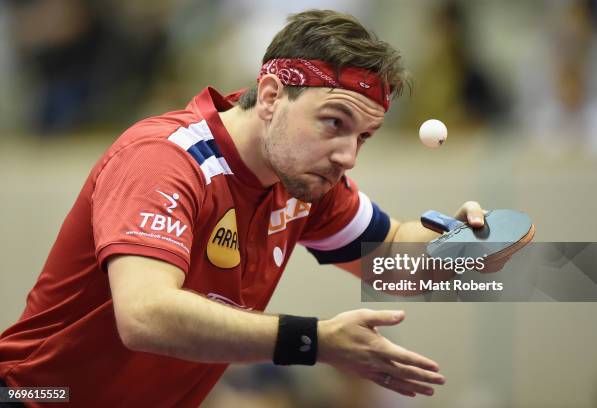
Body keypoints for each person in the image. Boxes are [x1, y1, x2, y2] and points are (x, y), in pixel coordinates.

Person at [0, 9, 485, 406]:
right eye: (333, 123)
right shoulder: (164, 159)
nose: (348, 156)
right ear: (272, 95)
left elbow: (392, 262)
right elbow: (145, 315)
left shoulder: (304, 182)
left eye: (362, 137)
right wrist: (314, 342)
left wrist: (468, 247)